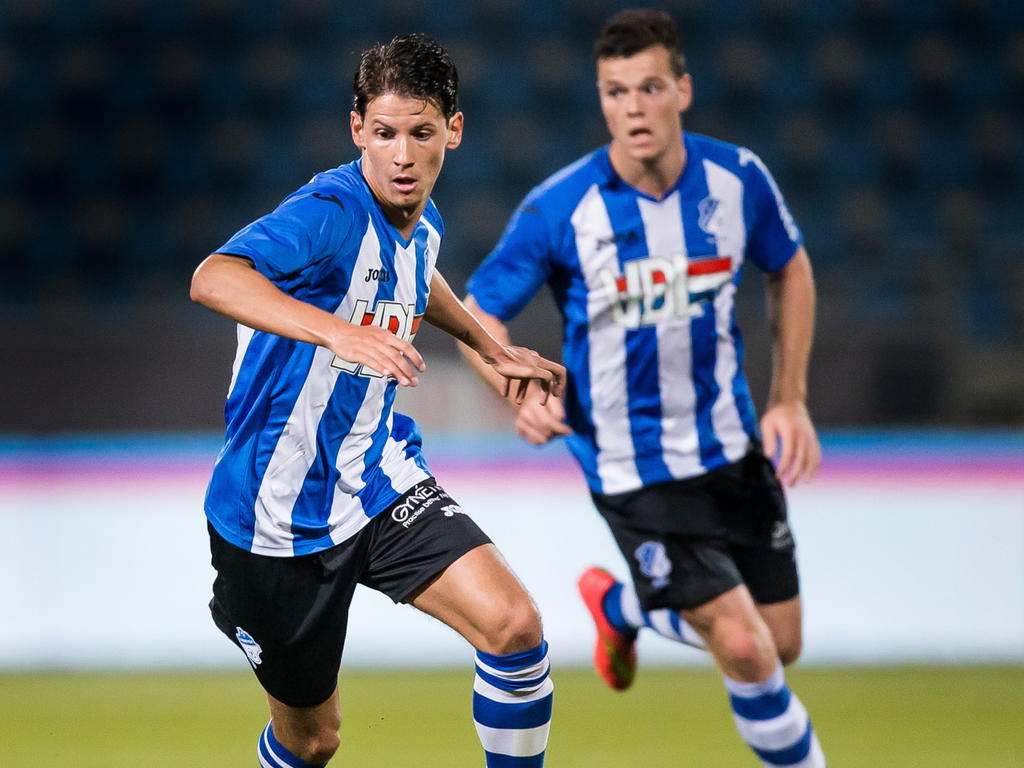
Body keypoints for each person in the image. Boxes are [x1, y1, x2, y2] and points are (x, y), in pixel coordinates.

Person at [460, 9, 826, 768]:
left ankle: (621, 605)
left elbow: (789, 266)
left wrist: (789, 396)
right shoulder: (561, 208)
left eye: (649, 87)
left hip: (730, 448)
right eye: (615, 91)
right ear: (602, 101)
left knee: (780, 642)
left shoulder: (737, 180)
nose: (633, 107)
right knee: (746, 651)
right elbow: (475, 311)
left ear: (681, 91)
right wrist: (515, 387)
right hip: (630, 467)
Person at [190, 34, 561, 768]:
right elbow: (213, 277)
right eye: (384, 133)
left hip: (376, 477)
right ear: (357, 128)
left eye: (420, 133)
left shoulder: (420, 222)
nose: (401, 155)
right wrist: (338, 333)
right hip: (277, 514)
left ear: (452, 133)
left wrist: (487, 343)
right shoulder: (327, 213)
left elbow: (421, 277)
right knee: (314, 741)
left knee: (514, 626)